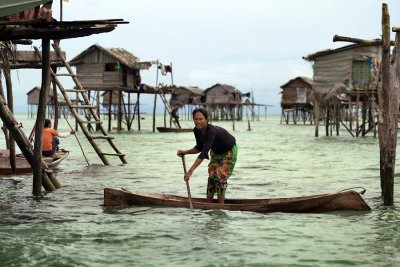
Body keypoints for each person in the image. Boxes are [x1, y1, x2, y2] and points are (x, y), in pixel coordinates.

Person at [177, 108, 237, 204]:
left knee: (219, 177)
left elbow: (204, 152)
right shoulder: (197, 130)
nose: (198, 121)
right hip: (216, 152)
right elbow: (199, 147)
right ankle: (209, 204)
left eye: (201, 119)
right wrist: (186, 152)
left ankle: (220, 206)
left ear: (207, 119)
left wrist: (190, 171)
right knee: (212, 176)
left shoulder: (211, 131)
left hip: (228, 151)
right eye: (196, 119)